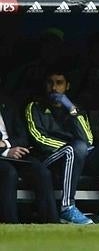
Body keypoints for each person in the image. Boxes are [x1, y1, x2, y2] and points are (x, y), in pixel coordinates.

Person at [25, 66, 99, 224]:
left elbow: (88, 140)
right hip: (51, 159)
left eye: (59, 83)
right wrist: (71, 148)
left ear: (67, 86)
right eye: (50, 83)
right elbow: (39, 139)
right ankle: (67, 208)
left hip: (79, 156)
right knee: (77, 148)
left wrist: (70, 108)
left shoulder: (74, 109)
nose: (54, 88)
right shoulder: (35, 107)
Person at [0, 92, 57, 223]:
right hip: (2, 157)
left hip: (17, 152)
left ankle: (51, 222)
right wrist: (5, 152)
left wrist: (7, 144)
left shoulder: (7, 104)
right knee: (9, 173)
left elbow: (23, 137)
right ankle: (10, 223)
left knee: (42, 172)